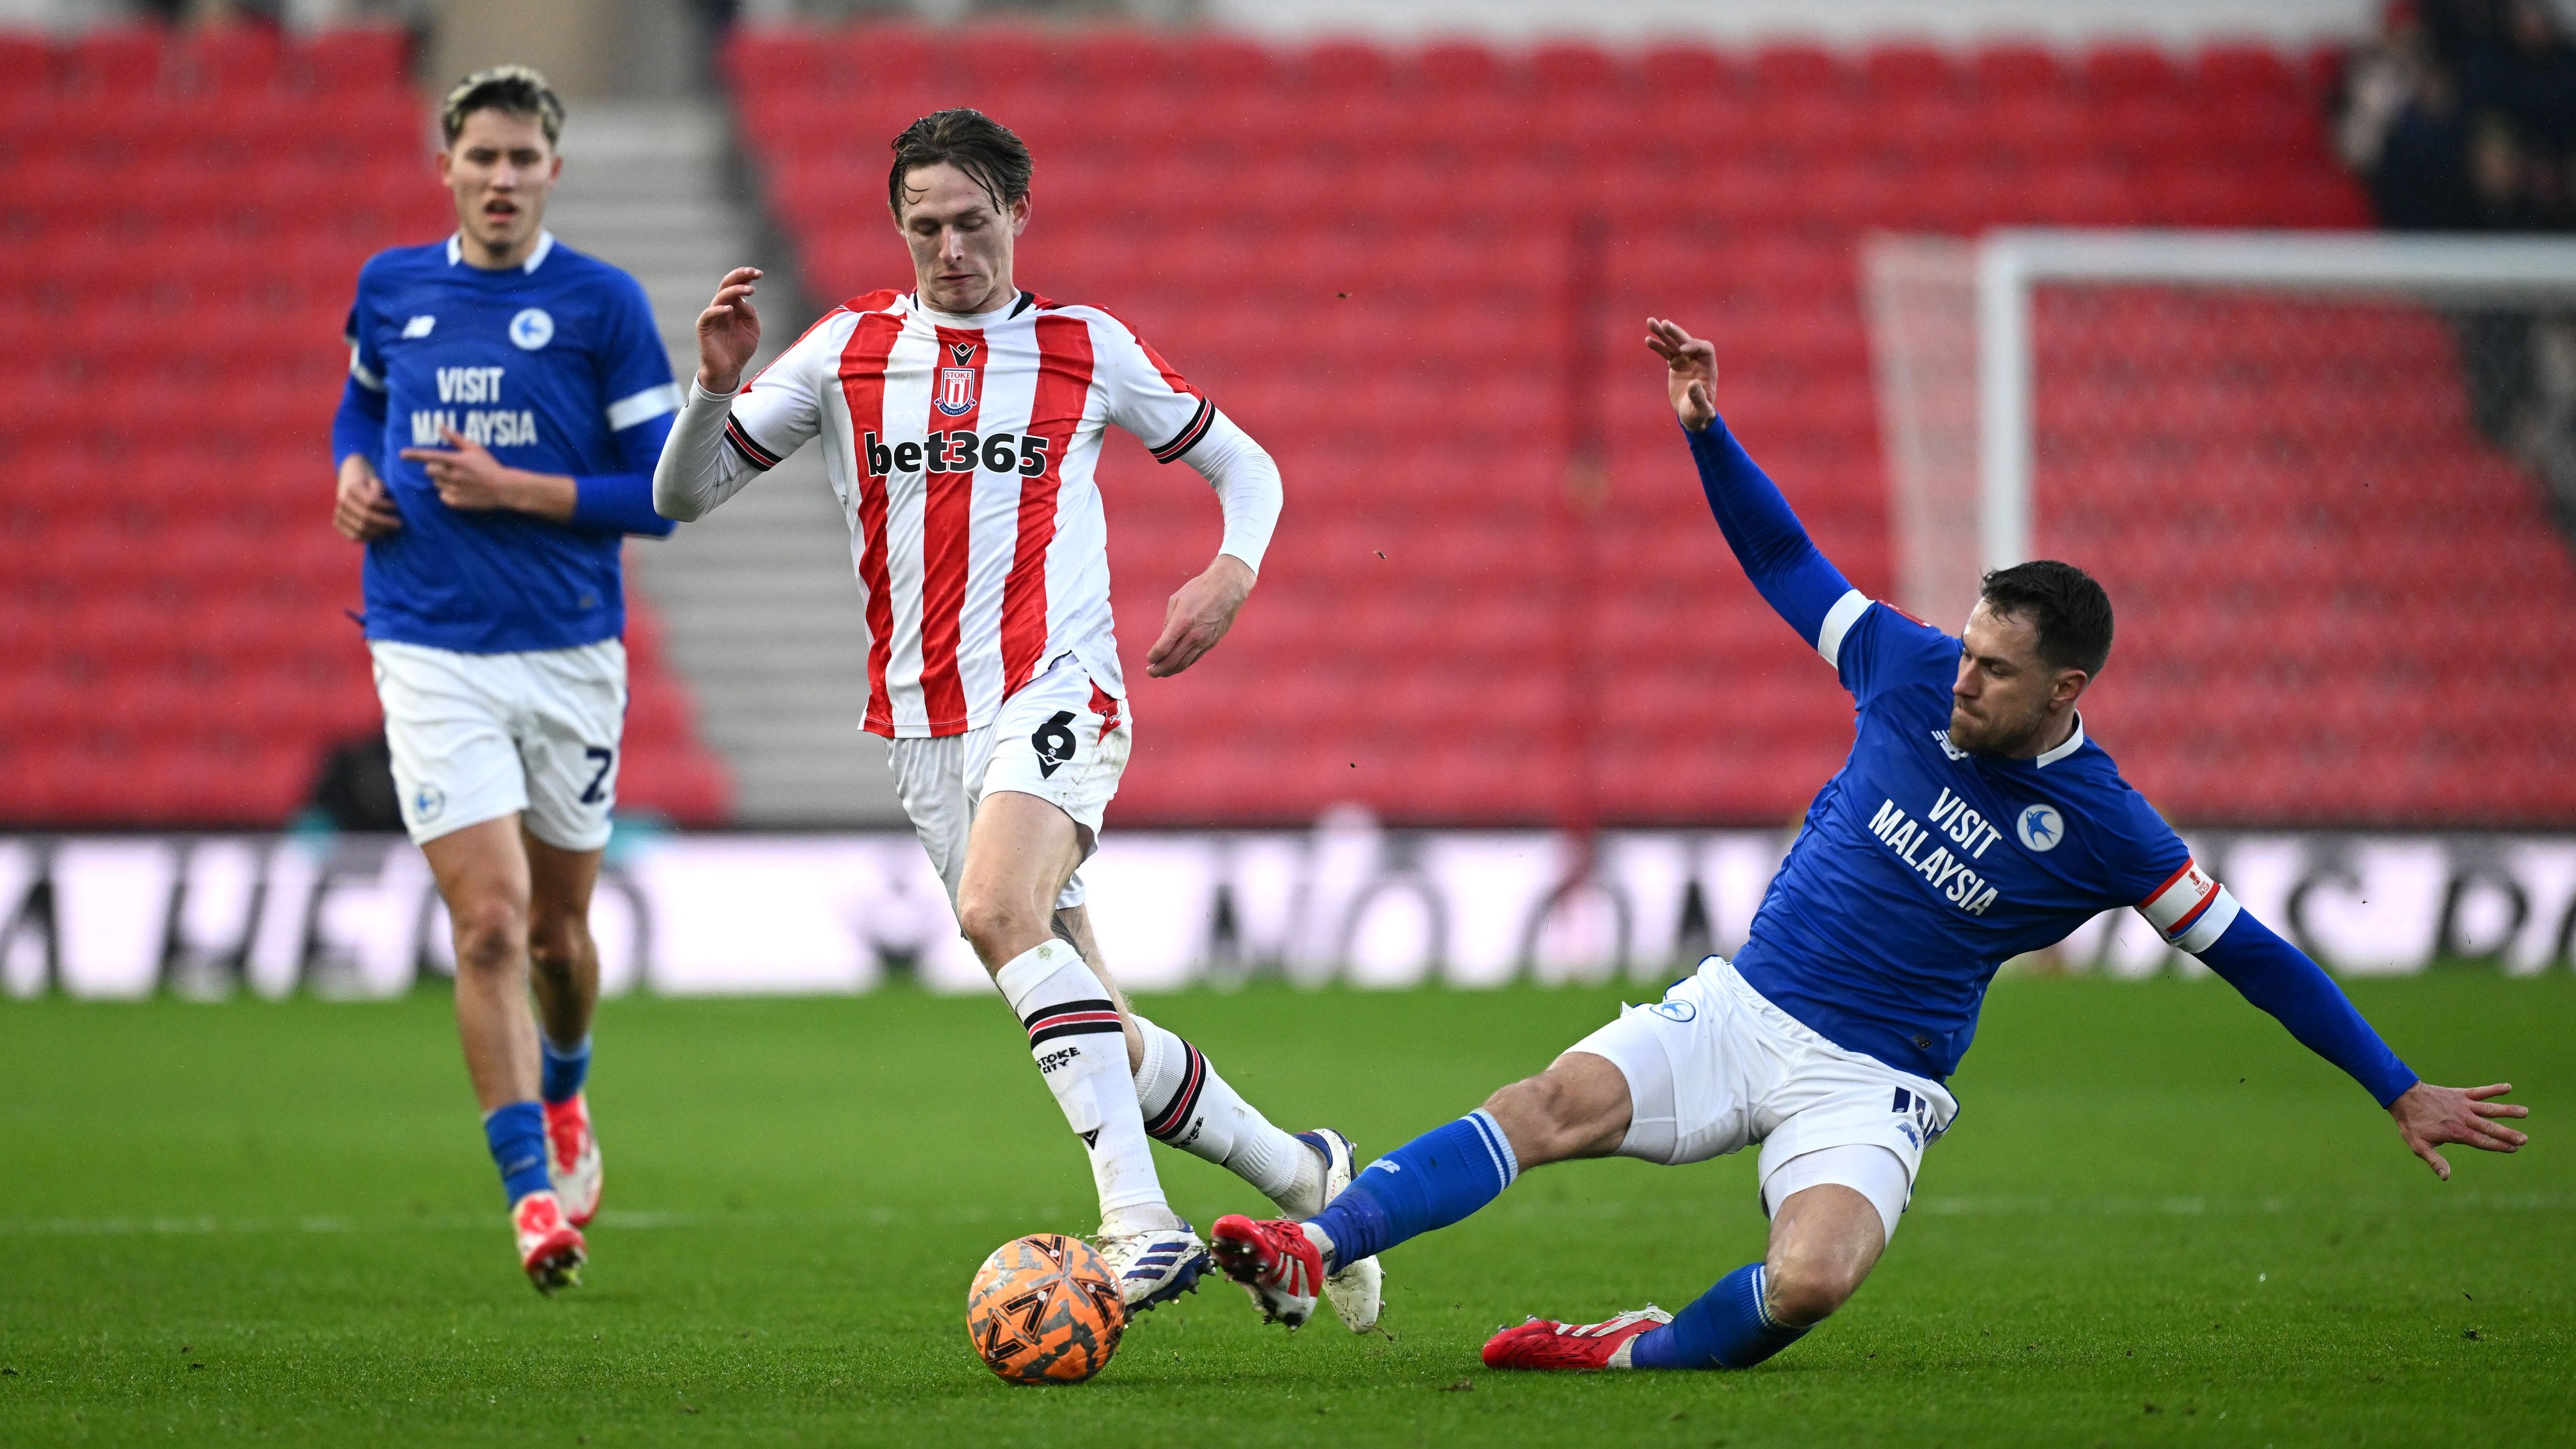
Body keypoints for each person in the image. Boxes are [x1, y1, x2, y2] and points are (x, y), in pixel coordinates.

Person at [1206, 316, 2532, 1365]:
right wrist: (1707, 432)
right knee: (1543, 1104)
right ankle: (1320, 1240)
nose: (1966, 679)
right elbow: (1788, 561)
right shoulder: (1906, 666)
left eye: (1997, 669)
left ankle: (1626, 1350)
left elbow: (2251, 954)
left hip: (1873, 1080)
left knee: (1812, 1281)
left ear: (2065, 689)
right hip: (1741, 1008)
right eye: (1969, 648)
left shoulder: (2108, 826)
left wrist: (2395, 1083)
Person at [651, 108, 1381, 1325]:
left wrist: (1230, 569)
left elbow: (1247, 466)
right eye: (925, 227)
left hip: (1059, 686)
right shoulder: (843, 352)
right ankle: (1309, 1178)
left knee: (998, 910)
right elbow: (683, 495)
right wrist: (714, 386)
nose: (950, 250)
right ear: (898, 228)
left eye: (972, 222)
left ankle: (1140, 1224)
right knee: (1098, 1027)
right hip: (922, 726)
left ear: (1017, 214)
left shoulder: (1084, 346)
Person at [330, 66, 684, 1292]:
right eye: (480, 156)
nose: (500, 177)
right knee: (484, 923)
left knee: (555, 937)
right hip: (426, 644)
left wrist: (514, 488)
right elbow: (359, 408)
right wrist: (350, 475)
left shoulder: (601, 303)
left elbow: (662, 495)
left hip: (569, 650)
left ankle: (568, 1088)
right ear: (447, 168)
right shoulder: (392, 287)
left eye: (522, 158)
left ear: (553, 172)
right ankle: (532, 1193)